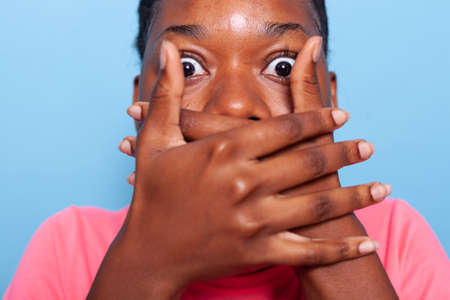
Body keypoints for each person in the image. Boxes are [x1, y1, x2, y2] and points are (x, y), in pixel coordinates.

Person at [4, 0, 450, 299]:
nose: (235, 103)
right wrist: (147, 261)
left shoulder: (395, 238)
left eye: (282, 67)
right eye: (188, 66)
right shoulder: (69, 243)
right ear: (142, 101)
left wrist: (326, 228)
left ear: (328, 99)